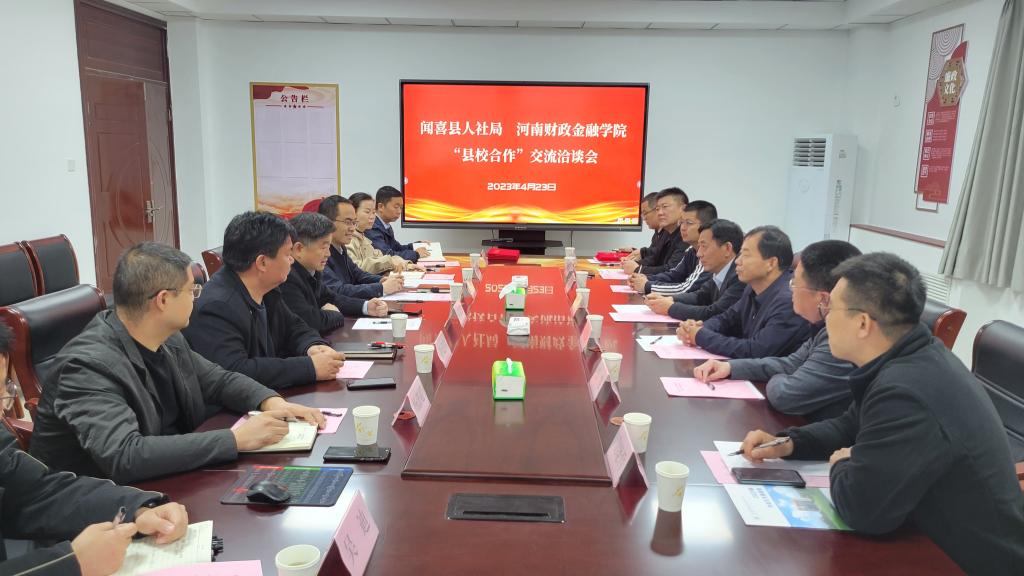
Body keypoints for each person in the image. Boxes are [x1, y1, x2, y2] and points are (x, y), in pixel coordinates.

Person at [736, 253, 1024, 575]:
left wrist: (842, 463)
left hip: (965, 560)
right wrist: (789, 443)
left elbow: (863, 510)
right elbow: (849, 425)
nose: (824, 317)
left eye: (831, 307)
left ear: (862, 323)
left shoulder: (906, 391)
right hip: (927, 536)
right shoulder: (907, 358)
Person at [30, 242, 325, 485]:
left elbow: (218, 380)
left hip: (169, 477)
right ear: (162, 300)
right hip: (103, 506)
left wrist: (271, 402)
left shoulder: (167, 336)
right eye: (191, 291)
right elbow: (125, 455)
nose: (196, 299)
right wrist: (234, 440)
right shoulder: (87, 366)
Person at [693, 240, 861, 421]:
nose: (790, 289)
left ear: (824, 299)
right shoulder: (823, 326)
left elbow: (785, 395)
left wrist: (783, 377)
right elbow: (791, 363)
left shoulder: (842, 338)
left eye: (794, 283)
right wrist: (730, 367)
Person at [184, 212, 345, 388]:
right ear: (262, 262)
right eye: (287, 254)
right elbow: (235, 371)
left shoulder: (266, 288)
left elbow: (294, 327)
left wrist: (312, 346)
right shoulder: (217, 306)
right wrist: (309, 367)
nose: (292, 261)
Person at [678, 226, 810, 359]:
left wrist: (700, 336)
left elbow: (755, 350)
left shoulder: (789, 301)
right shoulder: (752, 288)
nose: (737, 261)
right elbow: (726, 319)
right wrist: (697, 328)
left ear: (771, 263)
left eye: (746, 255)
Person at [280, 212, 388, 335]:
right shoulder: (287, 278)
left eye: (329, 247)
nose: (328, 254)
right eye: (323, 247)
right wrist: (335, 314)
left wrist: (366, 306)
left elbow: (333, 298)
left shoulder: (312, 271)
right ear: (299, 249)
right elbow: (312, 322)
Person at [645, 219, 745, 322]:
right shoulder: (719, 271)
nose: (699, 254)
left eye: (704, 246)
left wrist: (670, 308)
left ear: (727, 248)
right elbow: (700, 296)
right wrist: (670, 299)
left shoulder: (741, 276)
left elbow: (714, 313)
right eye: (699, 246)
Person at [319, 195, 404, 300]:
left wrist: (381, 280)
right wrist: (381, 288)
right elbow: (338, 290)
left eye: (354, 222)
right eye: (347, 222)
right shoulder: (321, 253)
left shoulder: (340, 247)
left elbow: (358, 274)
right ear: (328, 222)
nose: (352, 228)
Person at [630, 200, 716, 295]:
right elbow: (674, 275)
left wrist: (647, 285)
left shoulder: (709, 253)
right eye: (681, 222)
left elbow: (687, 288)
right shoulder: (691, 250)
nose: (683, 228)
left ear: (706, 226)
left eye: (689, 223)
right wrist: (645, 278)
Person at [348, 192, 421, 274]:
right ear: (352, 213)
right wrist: (390, 262)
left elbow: (380, 257)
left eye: (373, 212)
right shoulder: (347, 239)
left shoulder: (364, 238)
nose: (372, 217)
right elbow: (357, 269)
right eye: (367, 212)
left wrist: (407, 265)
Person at [622, 188, 688, 276]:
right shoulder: (668, 232)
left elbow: (673, 271)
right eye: (657, 209)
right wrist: (632, 263)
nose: (660, 213)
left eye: (665, 207)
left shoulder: (687, 235)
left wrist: (638, 269)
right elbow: (655, 259)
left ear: (683, 209)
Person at [364, 185, 429, 263]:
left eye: (401, 208)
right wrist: (416, 254)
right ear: (381, 206)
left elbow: (397, 248)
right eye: (396, 207)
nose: (399, 212)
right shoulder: (372, 227)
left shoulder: (386, 225)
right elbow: (387, 255)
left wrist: (416, 245)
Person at [616, 192, 662, 256]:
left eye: (645, 213)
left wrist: (639, 260)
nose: (644, 218)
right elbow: (652, 255)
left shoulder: (669, 234)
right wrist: (634, 251)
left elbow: (656, 258)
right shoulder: (657, 233)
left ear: (657, 210)